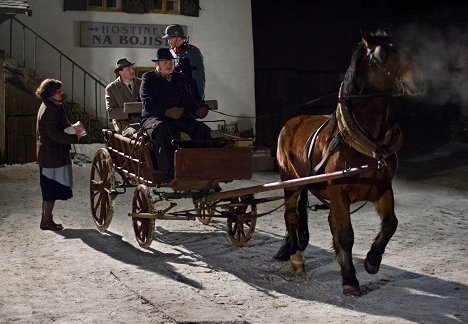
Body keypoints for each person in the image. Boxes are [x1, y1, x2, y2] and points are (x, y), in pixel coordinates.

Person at [140, 48, 211, 183]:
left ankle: (201, 170)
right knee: (163, 129)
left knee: (202, 129)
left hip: (177, 118)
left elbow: (188, 100)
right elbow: (148, 104)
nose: (169, 64)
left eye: (171, 62)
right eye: (165, 62)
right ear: (157, 64)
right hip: (154, 118)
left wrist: (197, 110)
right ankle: (168, 174)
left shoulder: (180, 79)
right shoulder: (148, 79)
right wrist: (165, 112)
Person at [35, 79, 87, 231]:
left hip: (55, 154)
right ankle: (46, 221)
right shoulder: (48, 109)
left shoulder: (55, 106)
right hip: (51, 155)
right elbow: (53, 134)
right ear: (51, 93)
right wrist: (74, 137)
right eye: (58, 91)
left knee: (51, 187)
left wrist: (74, 129)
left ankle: (47, 219)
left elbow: (61, 126)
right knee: (49, 188)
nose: (61, 93)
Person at [163, 24, 205, 101]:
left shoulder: (192, 52)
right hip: (176, 97)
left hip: (190, 97)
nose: (168, 41)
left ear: (178, 38)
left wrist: (197, 98)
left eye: (170, 38)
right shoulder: (172, 52)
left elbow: (198, 76)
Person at [105, 57, 142, 135]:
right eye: (128, 69)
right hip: (124, 124)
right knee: (135, 134)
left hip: (142, 121)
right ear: (121, 72)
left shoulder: (141, 83)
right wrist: (130, 114)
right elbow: (111, 112)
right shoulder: (111, 88)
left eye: (132, 68)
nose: (132, 71)